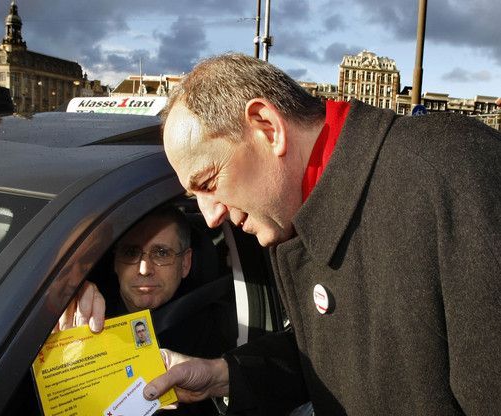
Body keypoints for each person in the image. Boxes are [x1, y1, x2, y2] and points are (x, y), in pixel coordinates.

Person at [67, 53, 501, 415]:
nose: (211, 216)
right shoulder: (288, 216)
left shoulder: (456, 170)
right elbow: (332, 357)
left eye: (209, 181)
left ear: (267, 126)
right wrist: (222, 375)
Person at [60, 205, 236, 415]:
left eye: (161, 253)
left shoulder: (223, 327)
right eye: (131, 252)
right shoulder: (80, 310)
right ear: (115, 262)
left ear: (185, 263)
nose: (144, 269)